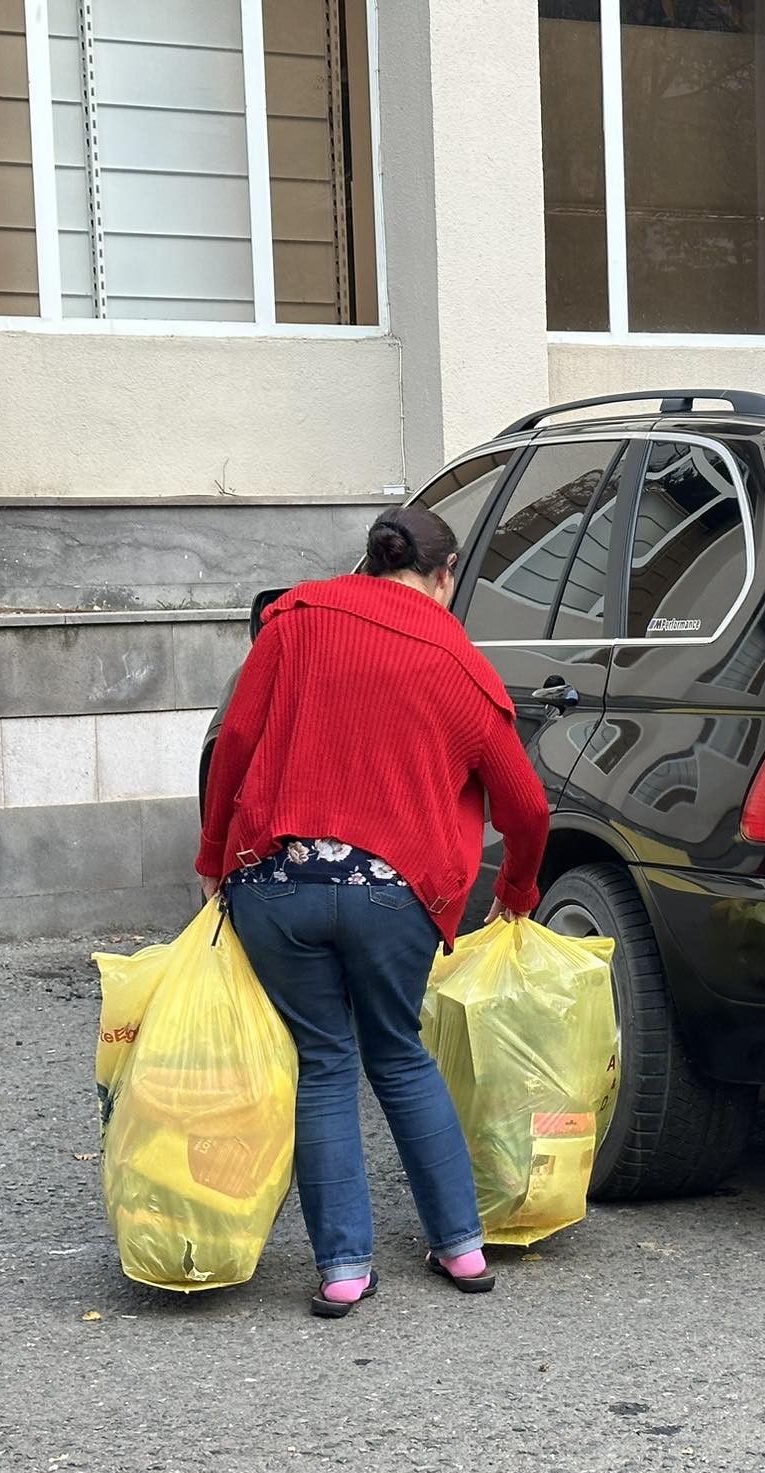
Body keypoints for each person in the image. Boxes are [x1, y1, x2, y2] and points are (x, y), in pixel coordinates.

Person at [195, 505, 549, 1318]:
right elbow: (526, 806)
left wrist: (214, 858)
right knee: (396, 1054)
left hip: (275, 887)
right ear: (446, 572)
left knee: (323, 1062)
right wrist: (517, 893)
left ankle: (343, 1271)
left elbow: (237, 741)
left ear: (371, 560)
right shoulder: (458, 663)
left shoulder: (296, 619)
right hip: (395, 897)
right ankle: (461, 1247)